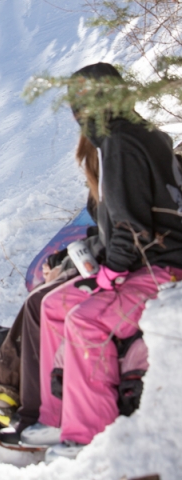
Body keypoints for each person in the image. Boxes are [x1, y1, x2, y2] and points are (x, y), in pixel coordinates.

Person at [19, 62, 182, 462]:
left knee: (87, 321)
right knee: (54, 305)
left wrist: (110, 274)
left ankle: (89, 434)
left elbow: (130, 226)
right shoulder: (129, 136)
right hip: (145, 263)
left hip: (162, 269)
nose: (78, 113)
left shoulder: (122, 141)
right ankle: (57, 417)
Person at [0, 196, 102, 448]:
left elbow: (120, 237)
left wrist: (66, 265)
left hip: (127, 269)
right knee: (40, 298)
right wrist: (64, 260)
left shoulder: (128, 176)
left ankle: (32, 411)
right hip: (107, 257)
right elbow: (106, 231)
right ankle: (5, 386)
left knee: (41, 302)